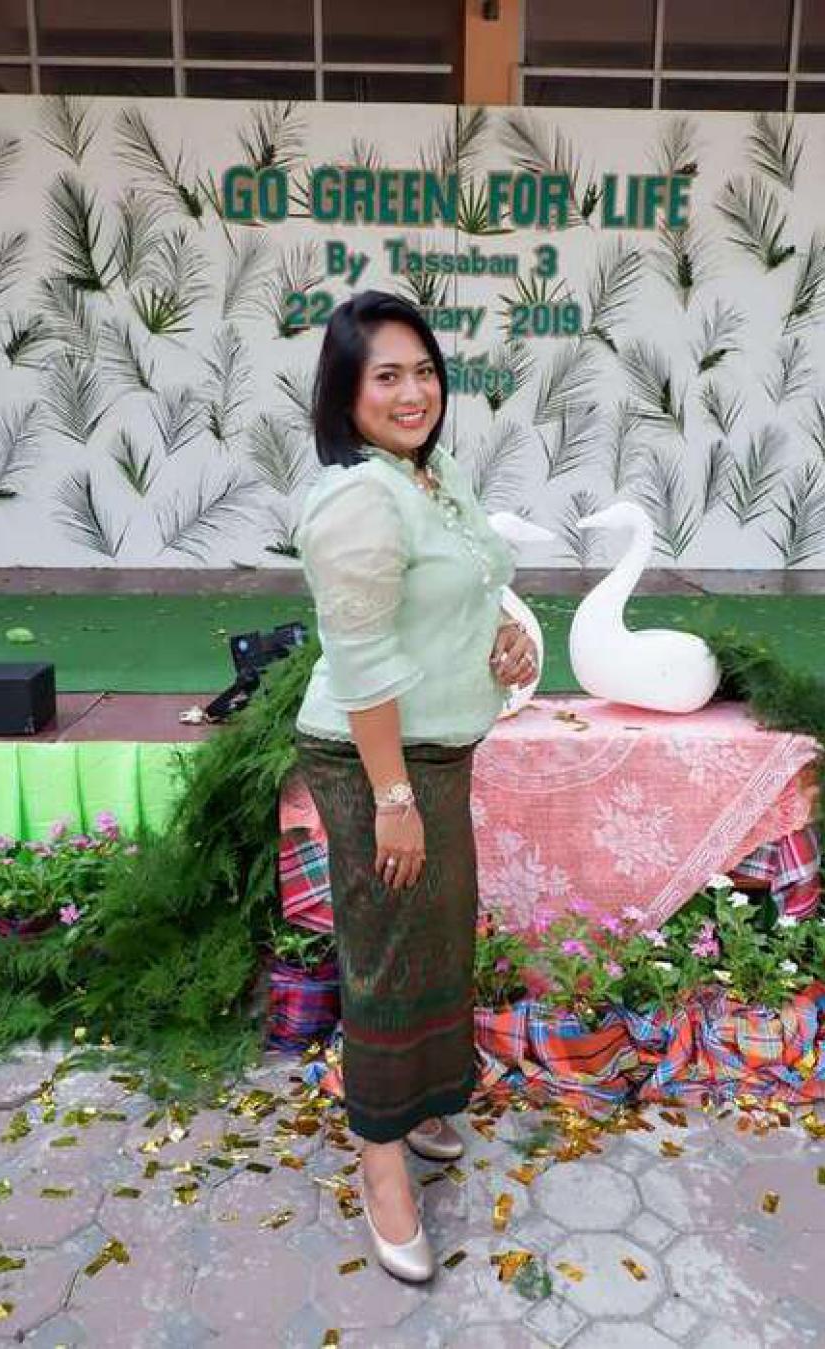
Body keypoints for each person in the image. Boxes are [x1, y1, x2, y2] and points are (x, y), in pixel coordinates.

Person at [294, 290, 538, 1282]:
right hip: (375, 763)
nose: (412, 391)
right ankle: (380, 1158)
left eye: (424, 370)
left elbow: (465, 585)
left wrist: (506, 637)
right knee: (388, 954)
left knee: (438, 932)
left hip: (436, 751)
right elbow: (361, 661)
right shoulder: (359, 497)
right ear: (345, 391)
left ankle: (424, 1102)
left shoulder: (432, 477)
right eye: (386, 375)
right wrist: (392, 800)